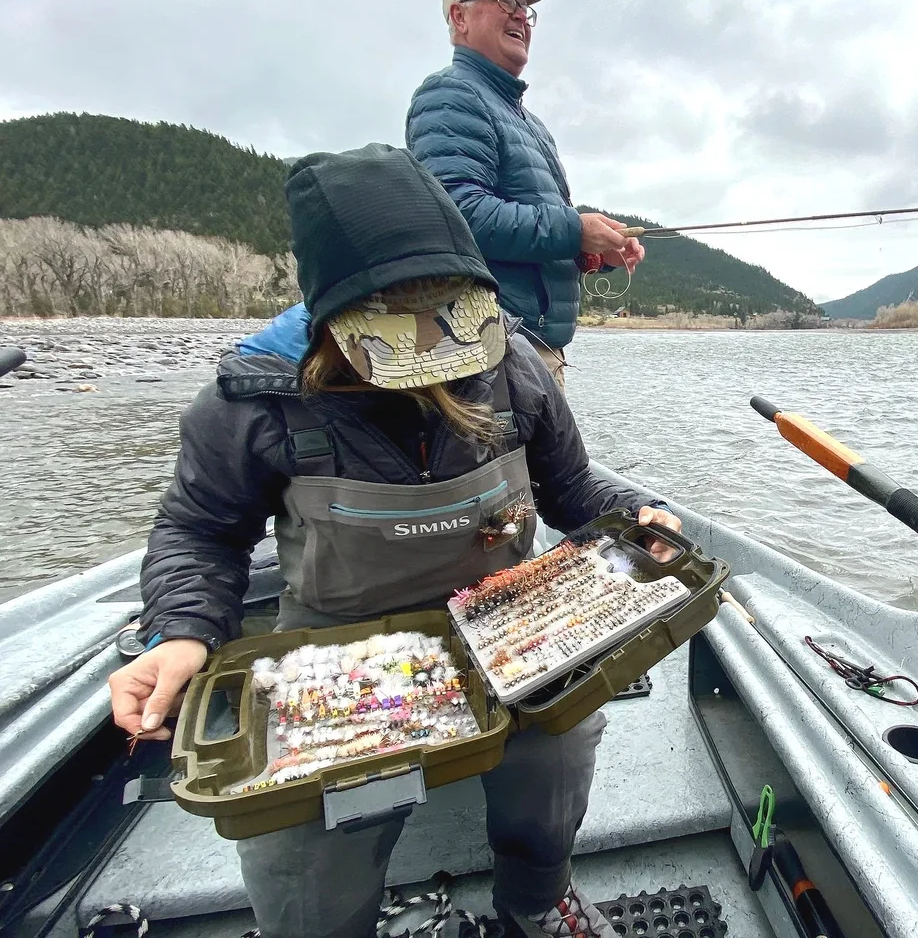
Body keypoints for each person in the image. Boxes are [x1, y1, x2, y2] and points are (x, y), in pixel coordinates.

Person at [107, 144, 678, 938]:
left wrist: (639, 511)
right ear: (333, 321)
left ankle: (537, 902)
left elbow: (575, 491)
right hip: (335, 647)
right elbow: (199, 532)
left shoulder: (514, 366)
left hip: (510, 626)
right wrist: (182, 633)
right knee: (301, 840)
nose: (434, 363)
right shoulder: (250, 403)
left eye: (450, 316)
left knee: (564, 733)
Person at [405, 0, 644, 392]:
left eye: (525, 7)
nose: (520, 14)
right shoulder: (449, 94)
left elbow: (536, 236)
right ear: (459, 16)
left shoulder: (532, 126)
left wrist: (593, 255)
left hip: (532, 353)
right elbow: (458, 216)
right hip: (492, 356)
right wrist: (575, 229)